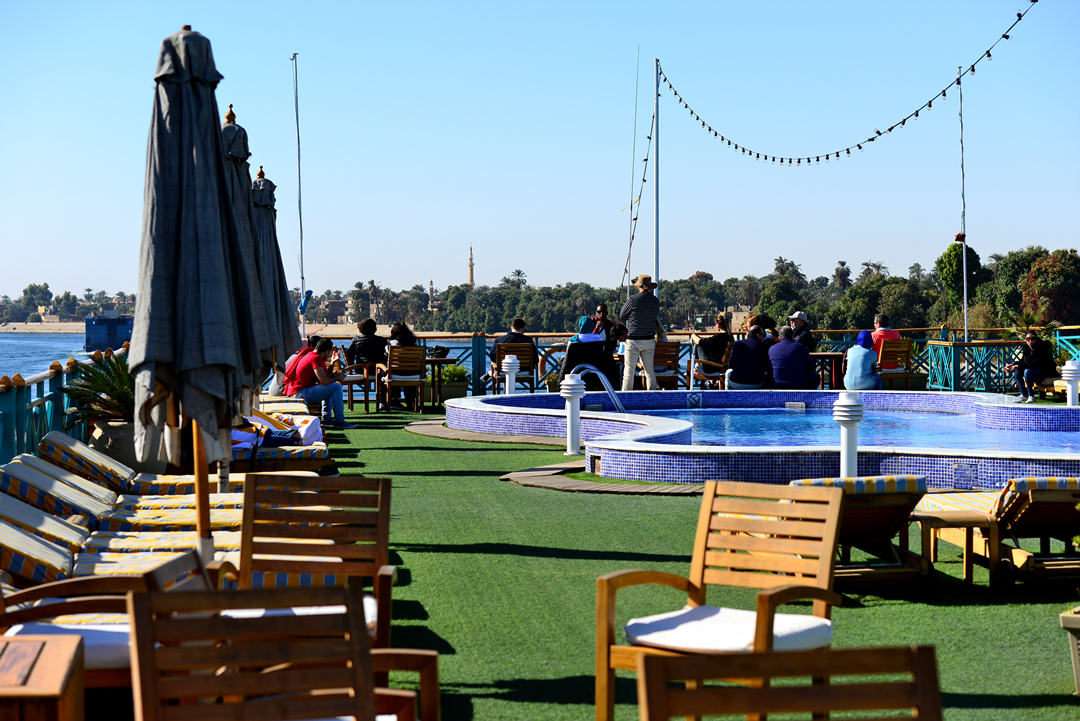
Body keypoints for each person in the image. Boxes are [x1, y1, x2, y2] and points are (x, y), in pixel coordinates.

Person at [284, 337, 357, 429]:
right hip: (299, 393)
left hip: (299, 392)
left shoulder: (312, 355)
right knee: (336, 387)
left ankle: (326, 418)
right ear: (326, 352)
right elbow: (324, 381)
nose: (329, 355)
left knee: (331, 386)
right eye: (329, 353)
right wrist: (337, 378)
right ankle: (339, 421)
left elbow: (325, 378)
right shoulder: (315, 358)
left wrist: (332, 363)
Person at [619, 274, 660, 391]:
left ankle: (625, 397)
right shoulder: (655, 301)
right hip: (649, 339)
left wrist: (631, 318)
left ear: (639, 286)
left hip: (633, 340)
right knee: (649, 371)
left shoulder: (633, 299)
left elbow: (622, 315)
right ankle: (652, 395)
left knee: (629, 371)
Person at [1005, 330, 1059, 403]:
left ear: (1036, 339)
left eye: (1033, 338)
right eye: (1028, 339)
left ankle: (1031, 396)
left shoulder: (1041, 348)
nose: (1030, 341)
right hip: (1035, 369)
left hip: (1046, 370)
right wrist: (1013, 365)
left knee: (1027, 372)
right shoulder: (1027, 348)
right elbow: (1024, 361)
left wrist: (1018, 366)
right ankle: (1024, 394)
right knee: (1017, 372)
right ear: (1025, 339)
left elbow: (1035, 364)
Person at [769, 325, 817, 390]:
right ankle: (807, 396)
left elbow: (769, 368)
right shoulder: (801, 347)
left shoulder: (772, 349)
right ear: (793, 336)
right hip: (798, 385)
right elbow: (811, 367)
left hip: (777, 385)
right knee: (815, 377)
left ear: (780, 338)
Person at [725, 325, 770, 389]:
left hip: (735, 382)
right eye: (763, 335)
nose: (764, 337)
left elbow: (730, 365)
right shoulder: (764, 347)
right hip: (756, 383)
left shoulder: (738, 344)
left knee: (727, 372)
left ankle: (727, 394)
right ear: (758, 335)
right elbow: (767, 368)